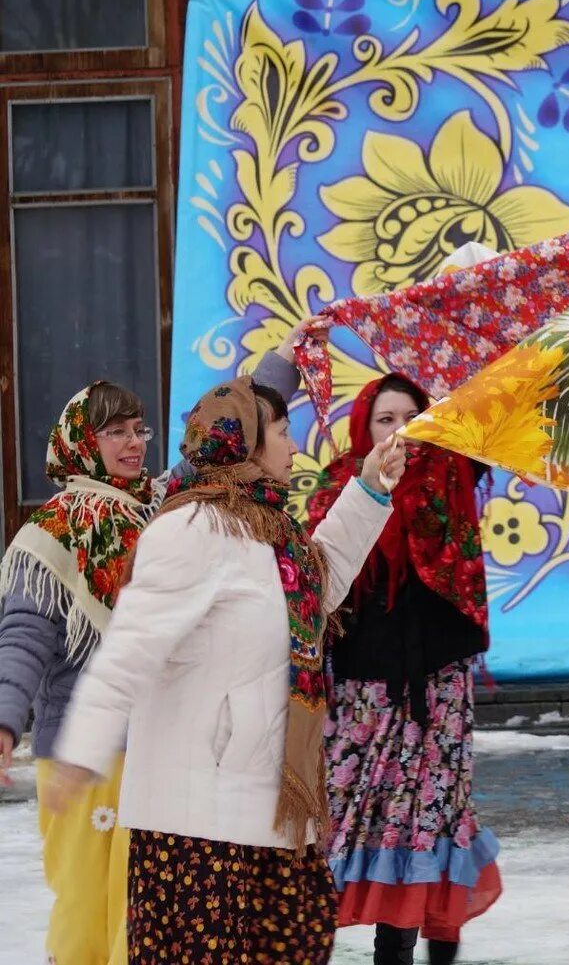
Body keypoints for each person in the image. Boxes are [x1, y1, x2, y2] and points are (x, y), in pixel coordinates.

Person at [42, 374, 405, 964]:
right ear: (242, 442)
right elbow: (129, 650)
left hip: (272, 813)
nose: (294, 449)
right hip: (199, 826)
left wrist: (368, 490)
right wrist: (80, 754)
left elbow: (321, 584)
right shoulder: (191, 530)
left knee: (299, 944)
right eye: (283, 434)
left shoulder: (274, 530)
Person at [0, 333, 307, 965]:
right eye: (115, 432)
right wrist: (4, 723)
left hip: (153, 760)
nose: (134, 443)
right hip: (79, 758)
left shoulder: (163, 508)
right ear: (80, 442)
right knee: (85, 918)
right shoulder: (47, 536)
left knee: (137, 926)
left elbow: (230, 426)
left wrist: (281, 363)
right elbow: (23, 640)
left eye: (140, 430)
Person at [308, 373, 501, 965]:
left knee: (427, 814)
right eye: (385, 420)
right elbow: (321, 583)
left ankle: (424, 937)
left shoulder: (450, 474)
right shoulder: (338, 487)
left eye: (410, 417)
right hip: (363, 689)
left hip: (436, 686)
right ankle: (312, 933)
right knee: (349, 812)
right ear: (364, 429)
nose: (399, 431)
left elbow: (480, 420)